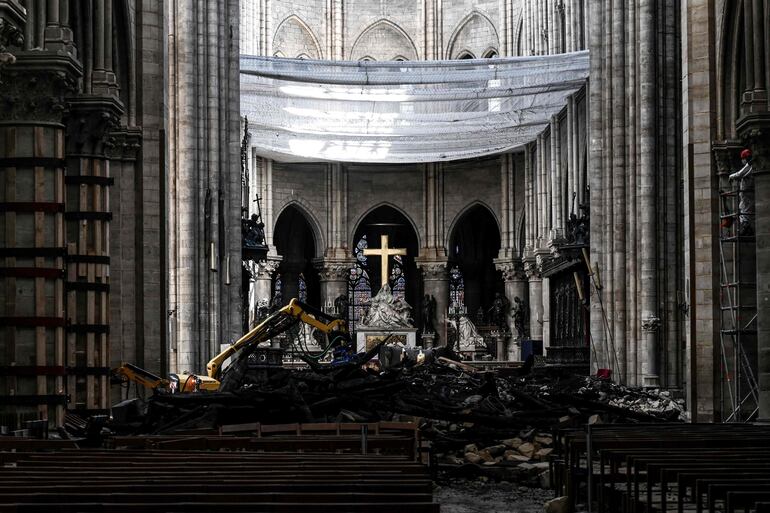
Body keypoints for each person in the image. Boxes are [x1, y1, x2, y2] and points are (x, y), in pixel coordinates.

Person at [729, 148, 754, 235]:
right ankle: (748, 227)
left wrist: (731, 176)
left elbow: (739, 174)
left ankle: (746, 226)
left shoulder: (749, 166)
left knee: (743, 209)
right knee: (746, 209)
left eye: (743, 159)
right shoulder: (751, 166)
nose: (742, 161)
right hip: (748, 191)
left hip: (746, 191)